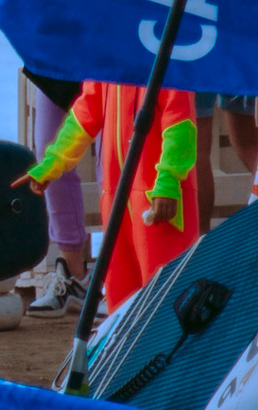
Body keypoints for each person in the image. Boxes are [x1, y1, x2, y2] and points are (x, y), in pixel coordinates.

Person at [25, 81, 203, 312]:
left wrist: (169, 180)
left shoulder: (168, 60)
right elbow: (85, 111)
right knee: (120, 302)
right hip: (116, 199)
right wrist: (53, 161)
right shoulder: (108, 63)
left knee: (165, 300)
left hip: (158, 197)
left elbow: (180, 121)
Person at [20, 68, 94, 315]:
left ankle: (122, 280)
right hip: (59, 60)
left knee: (115, 161)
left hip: (109, 60)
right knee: (47, 151)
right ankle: (75, 278)